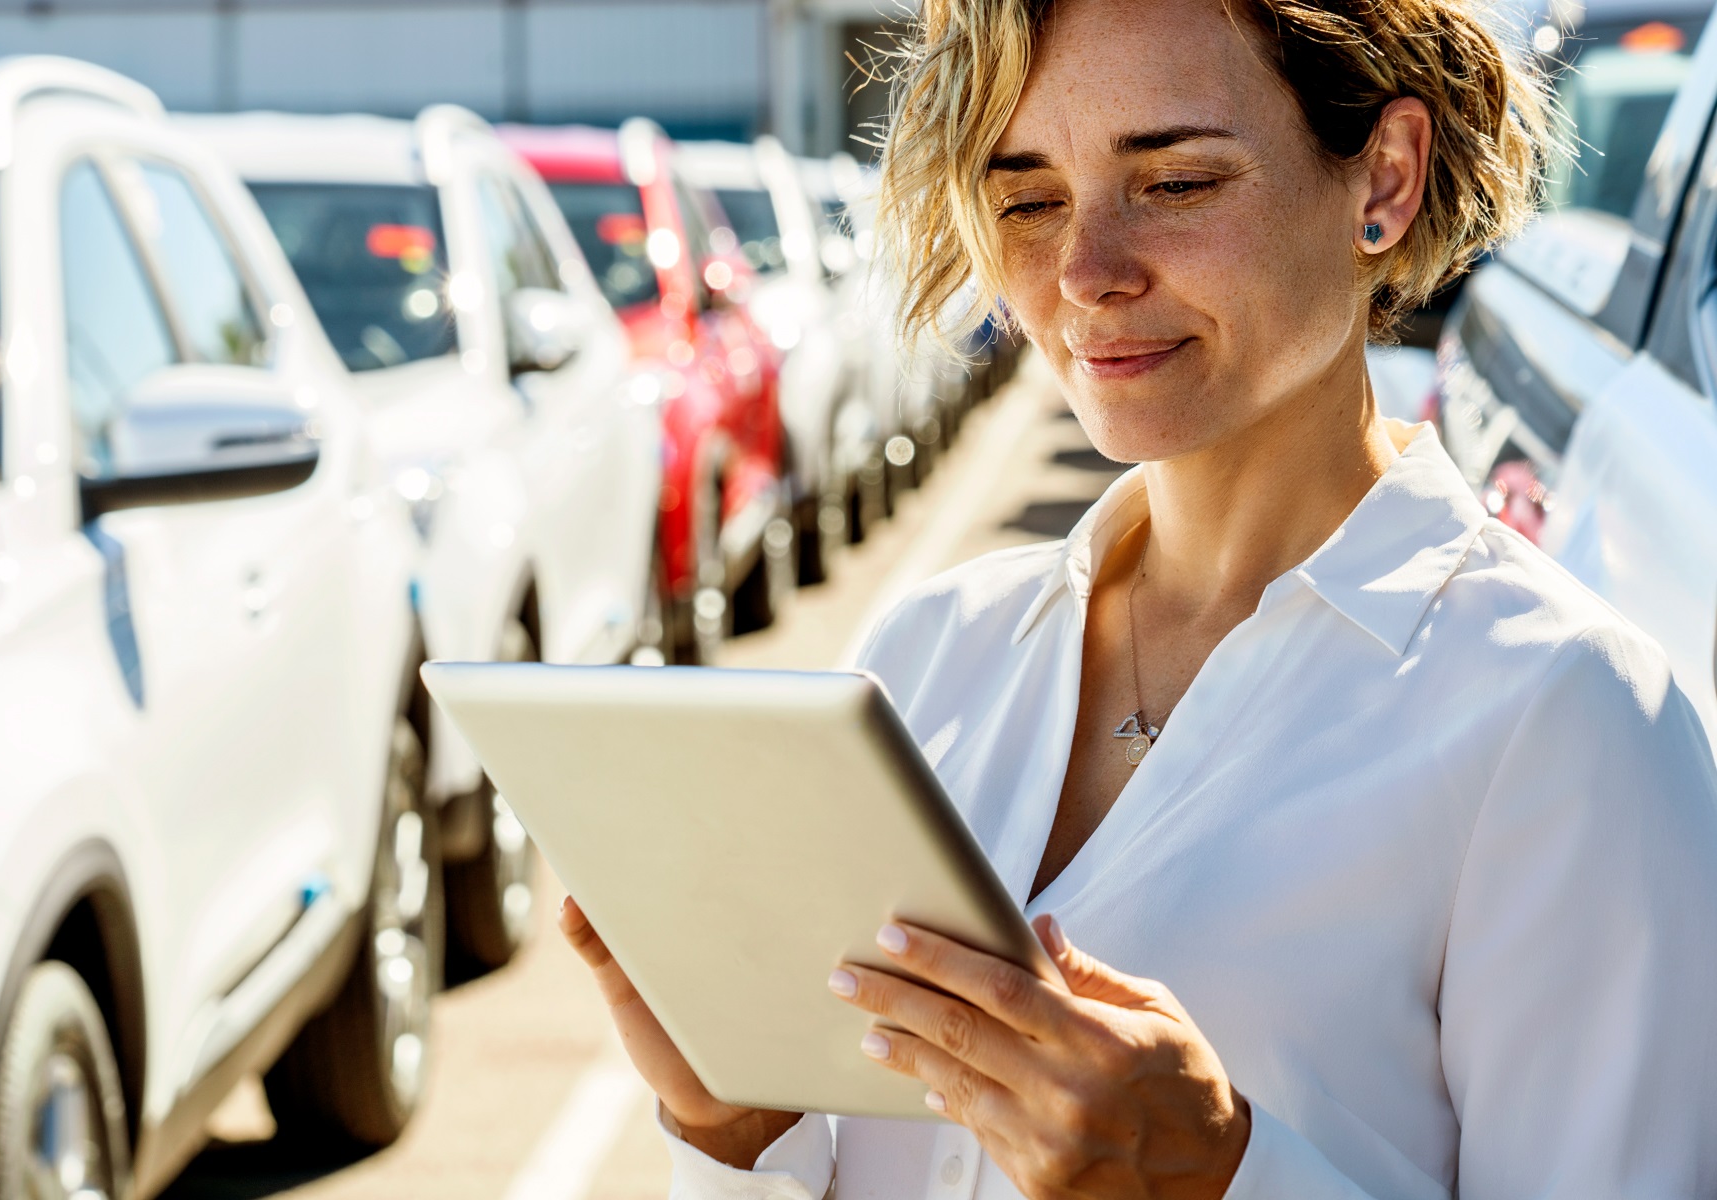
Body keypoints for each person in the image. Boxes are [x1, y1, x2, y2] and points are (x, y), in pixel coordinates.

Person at [557, 0, 1717, 1194]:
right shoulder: (928, 654)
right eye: (1027, 198)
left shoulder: (1567, 716)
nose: (1085, 272)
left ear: (1382, 179)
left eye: (1172, 184)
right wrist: (736, 1135)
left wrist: (1223, 1177)